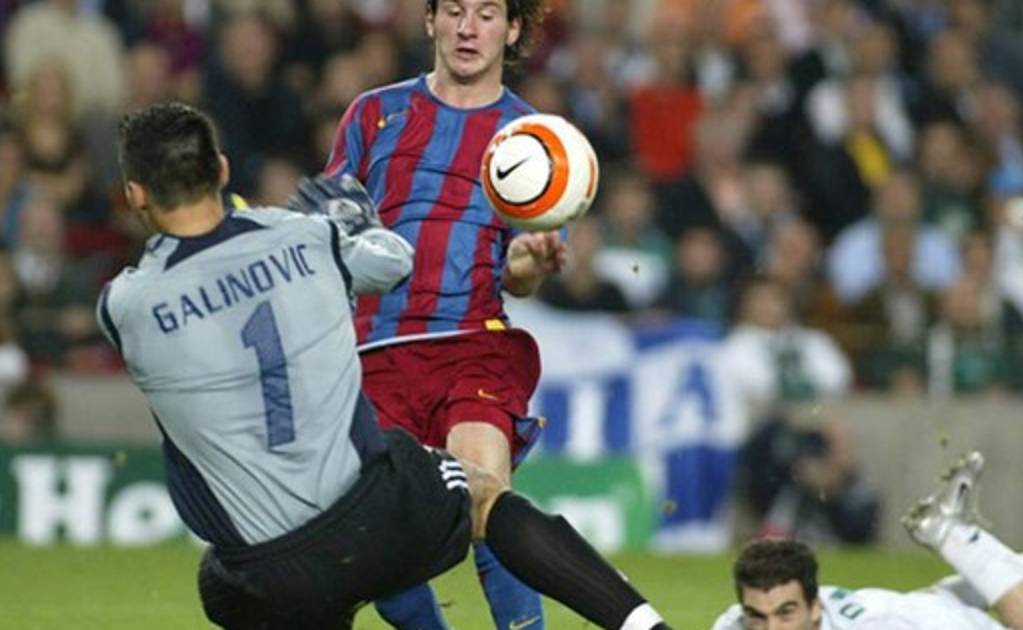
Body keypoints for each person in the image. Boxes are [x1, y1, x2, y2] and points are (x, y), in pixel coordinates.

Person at [100, 102, 672, 630]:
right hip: (365, 516)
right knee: (482, 493)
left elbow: (205, 294)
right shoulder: (305, 238)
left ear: (134, 195)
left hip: (267, 571)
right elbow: (393, 264)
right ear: (223, 170)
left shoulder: (125, 306)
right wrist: (354, 220)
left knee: (219, 585)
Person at [323, 2, 568, 628]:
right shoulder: (373, 114)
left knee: (486, 496)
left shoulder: (533, 138)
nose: (468, 28)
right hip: (374, 351)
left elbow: (519, 275)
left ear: (513, 29)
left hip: (471, 342)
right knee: (375, 544)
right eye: (454, 10)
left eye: (486, 13)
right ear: (430, 20)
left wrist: (529, 261)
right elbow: (332, 230)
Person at [711, 452, 1023, 630]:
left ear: (815, 609)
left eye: (786, 615)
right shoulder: (732, 627)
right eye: (757, 618)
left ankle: (959, 539)